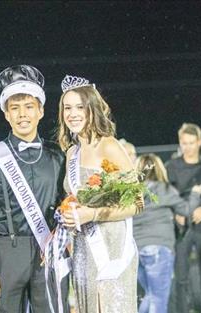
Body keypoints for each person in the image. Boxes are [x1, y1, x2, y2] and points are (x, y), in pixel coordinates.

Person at [0, 65, 68, 313]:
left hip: (49, 251)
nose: (22, 114)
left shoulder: (58, 155)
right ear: (6, 115)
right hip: (6, 252)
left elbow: (66, 203)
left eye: (29, 107)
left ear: (41, 111)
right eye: (15, 108)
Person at [57, 75, 144, 313]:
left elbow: (137, 202)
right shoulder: (71, 153)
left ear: (92, 109)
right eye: (67, 108)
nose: (72, 114)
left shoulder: (109, 146)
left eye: (79, 107)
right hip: (83, 248)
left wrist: (92, 214)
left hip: (112, 247)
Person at [133, 154, 201, 313]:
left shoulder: (133, 192)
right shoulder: (163, 189)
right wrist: (195, 194)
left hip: (137, 249)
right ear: (159, 169)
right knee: (158, 298)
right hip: (159, 248)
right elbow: (186, 210)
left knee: (149, 295)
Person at [165, 123, 201, 313]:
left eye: (191, 142)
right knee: (180, 278)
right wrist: (176, 213)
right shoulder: (171, 167)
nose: (188, 147)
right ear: (180, 143)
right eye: (184, 143)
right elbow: (165, 197)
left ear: (199, 142)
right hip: (181, 229)